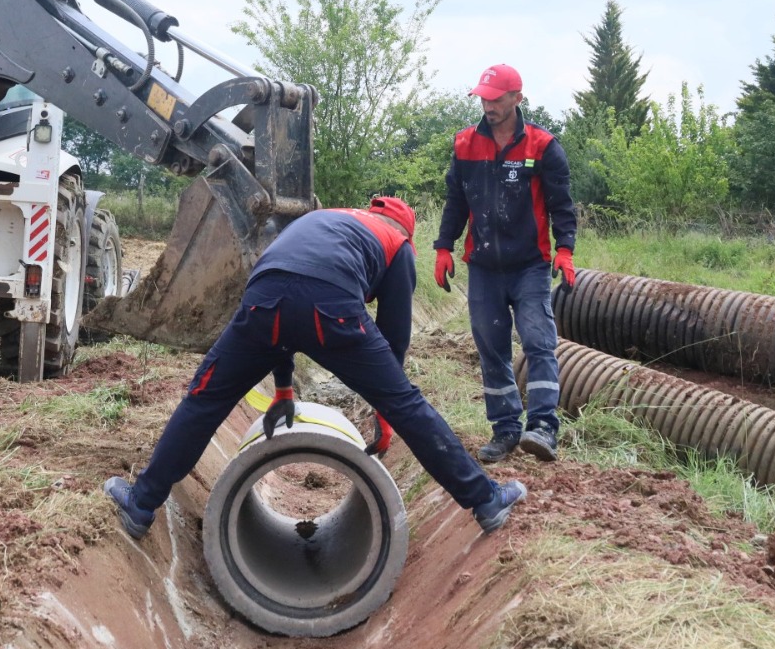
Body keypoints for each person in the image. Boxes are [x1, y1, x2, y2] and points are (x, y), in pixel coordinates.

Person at [104, 196, 528, 539]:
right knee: (407, 403)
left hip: (262, 301)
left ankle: (141, 504)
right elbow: (394, 336)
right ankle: (486, 501)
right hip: (331, 310)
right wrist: (385, 410)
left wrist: (284, 390)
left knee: (205, 399)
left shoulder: (327, 219)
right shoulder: (396, 244)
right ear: (408, 232)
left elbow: (287, 293)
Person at [433, 63, 577, 465]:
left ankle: (544, 427)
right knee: (491, 349)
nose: (488, 105)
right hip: (483, 268)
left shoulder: (543, 146)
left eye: (496, 98)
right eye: (483, 97)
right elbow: (456, 201)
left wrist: (565, 249)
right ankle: (506, 430)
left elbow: (561, 205)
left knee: (538, 341)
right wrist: (444, 246)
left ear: (517, 97)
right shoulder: (464, 145)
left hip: (529, 265)